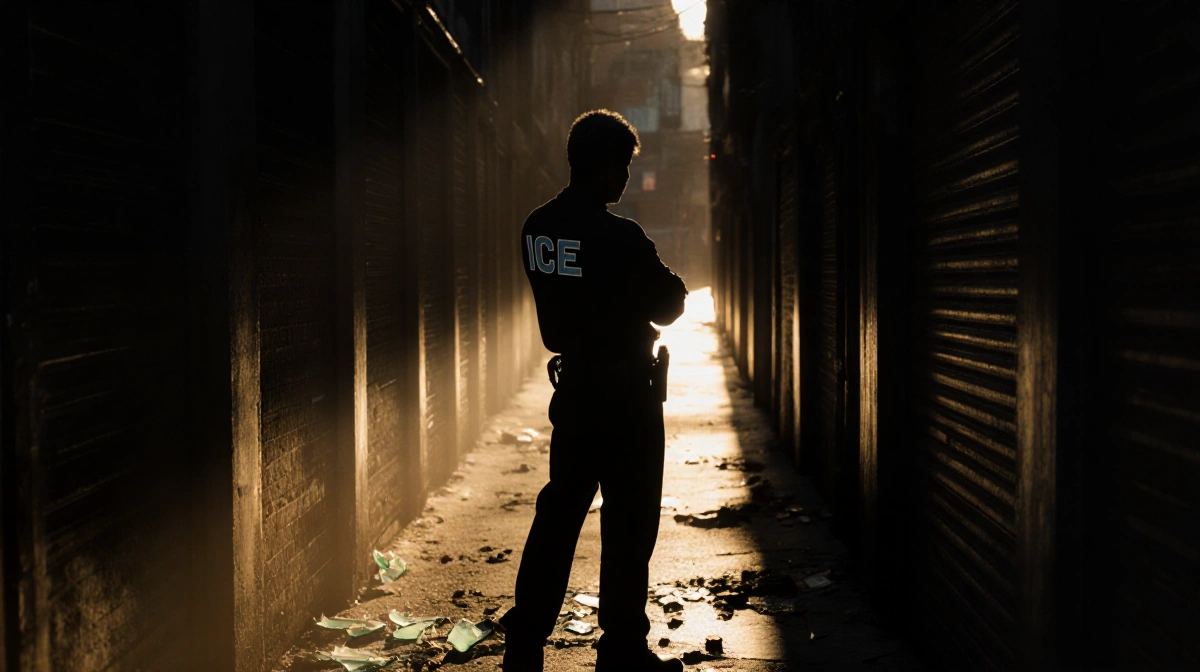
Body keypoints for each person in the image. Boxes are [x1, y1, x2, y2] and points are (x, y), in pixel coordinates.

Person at [499, 110, 688, 672]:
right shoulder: (621, 237)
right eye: (623, 165)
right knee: (629, 524)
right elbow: (671, 303)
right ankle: (622, 651)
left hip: (577, 392)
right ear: (604, 164)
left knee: (558, 516)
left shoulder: (537, 228)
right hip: (628, 398)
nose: (626, 177)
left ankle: (524, 643)